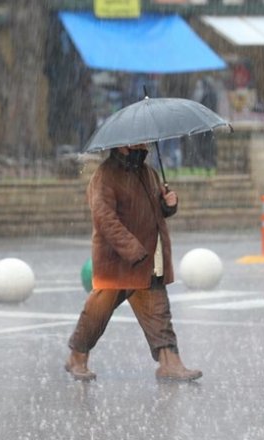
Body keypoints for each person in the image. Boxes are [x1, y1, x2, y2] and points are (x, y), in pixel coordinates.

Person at [65, 143, 202, 382]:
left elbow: (155, 210)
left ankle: (170, 362)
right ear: (124, 145)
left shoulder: (148, 172)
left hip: (147, 261)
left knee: (159, 314)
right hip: (117, 263)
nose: (146, 143)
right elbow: (105, 219)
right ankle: (77, 357)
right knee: (96, 314)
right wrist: (133, 250)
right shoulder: (106, 175)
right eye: (141, 140)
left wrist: (168, 204)